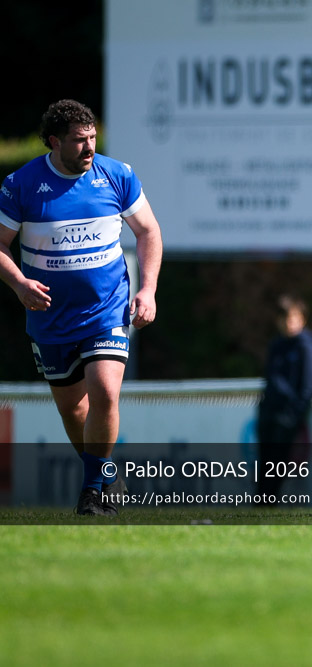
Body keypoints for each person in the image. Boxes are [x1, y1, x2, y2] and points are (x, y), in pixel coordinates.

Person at [0, 99, 163, 516]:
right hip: (50, 318)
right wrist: (19, 283)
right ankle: (106, 475)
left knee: (105, 392)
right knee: (74, 410)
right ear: (54, 142)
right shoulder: (21, 184)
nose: (89, 148)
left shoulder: (117, 175)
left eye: (92, 138)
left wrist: (148, 290)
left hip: (106, 310)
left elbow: (148, 232)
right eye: (79, 141)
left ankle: (92, 493)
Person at [256, 294, 312, 501]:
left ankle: (270, 502)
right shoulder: (276, 345)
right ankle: (262, 503)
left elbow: (307, 386)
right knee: (265, 462)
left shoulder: (308, 346)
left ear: (302, 319)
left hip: (287, 416)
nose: (289, 323)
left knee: (278, 463)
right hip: (269, 412)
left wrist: (293, 414)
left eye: (294, 318)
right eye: (286, 318)